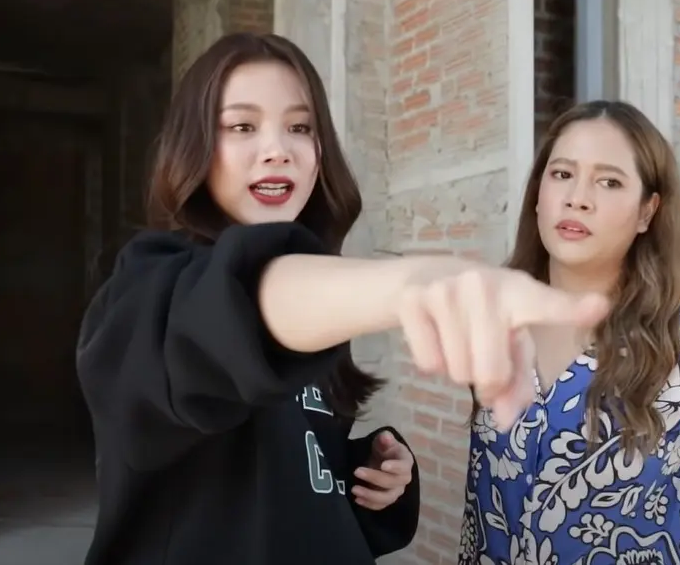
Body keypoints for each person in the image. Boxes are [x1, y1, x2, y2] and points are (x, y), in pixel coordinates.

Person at [76, 33, 610, 565]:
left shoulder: (313, 307)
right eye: (242, 126)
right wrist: (408, 284)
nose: (277, 150)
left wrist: (371, 472)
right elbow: (233, 311)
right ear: (192, 145)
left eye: (300, 127)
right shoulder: (148, 293)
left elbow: (285, 478)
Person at [456, 101, 680, 565]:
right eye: (562, 174)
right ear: (538, 194)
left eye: (609, 182)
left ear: (647, 211)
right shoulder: (495, 320)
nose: (577, 198)